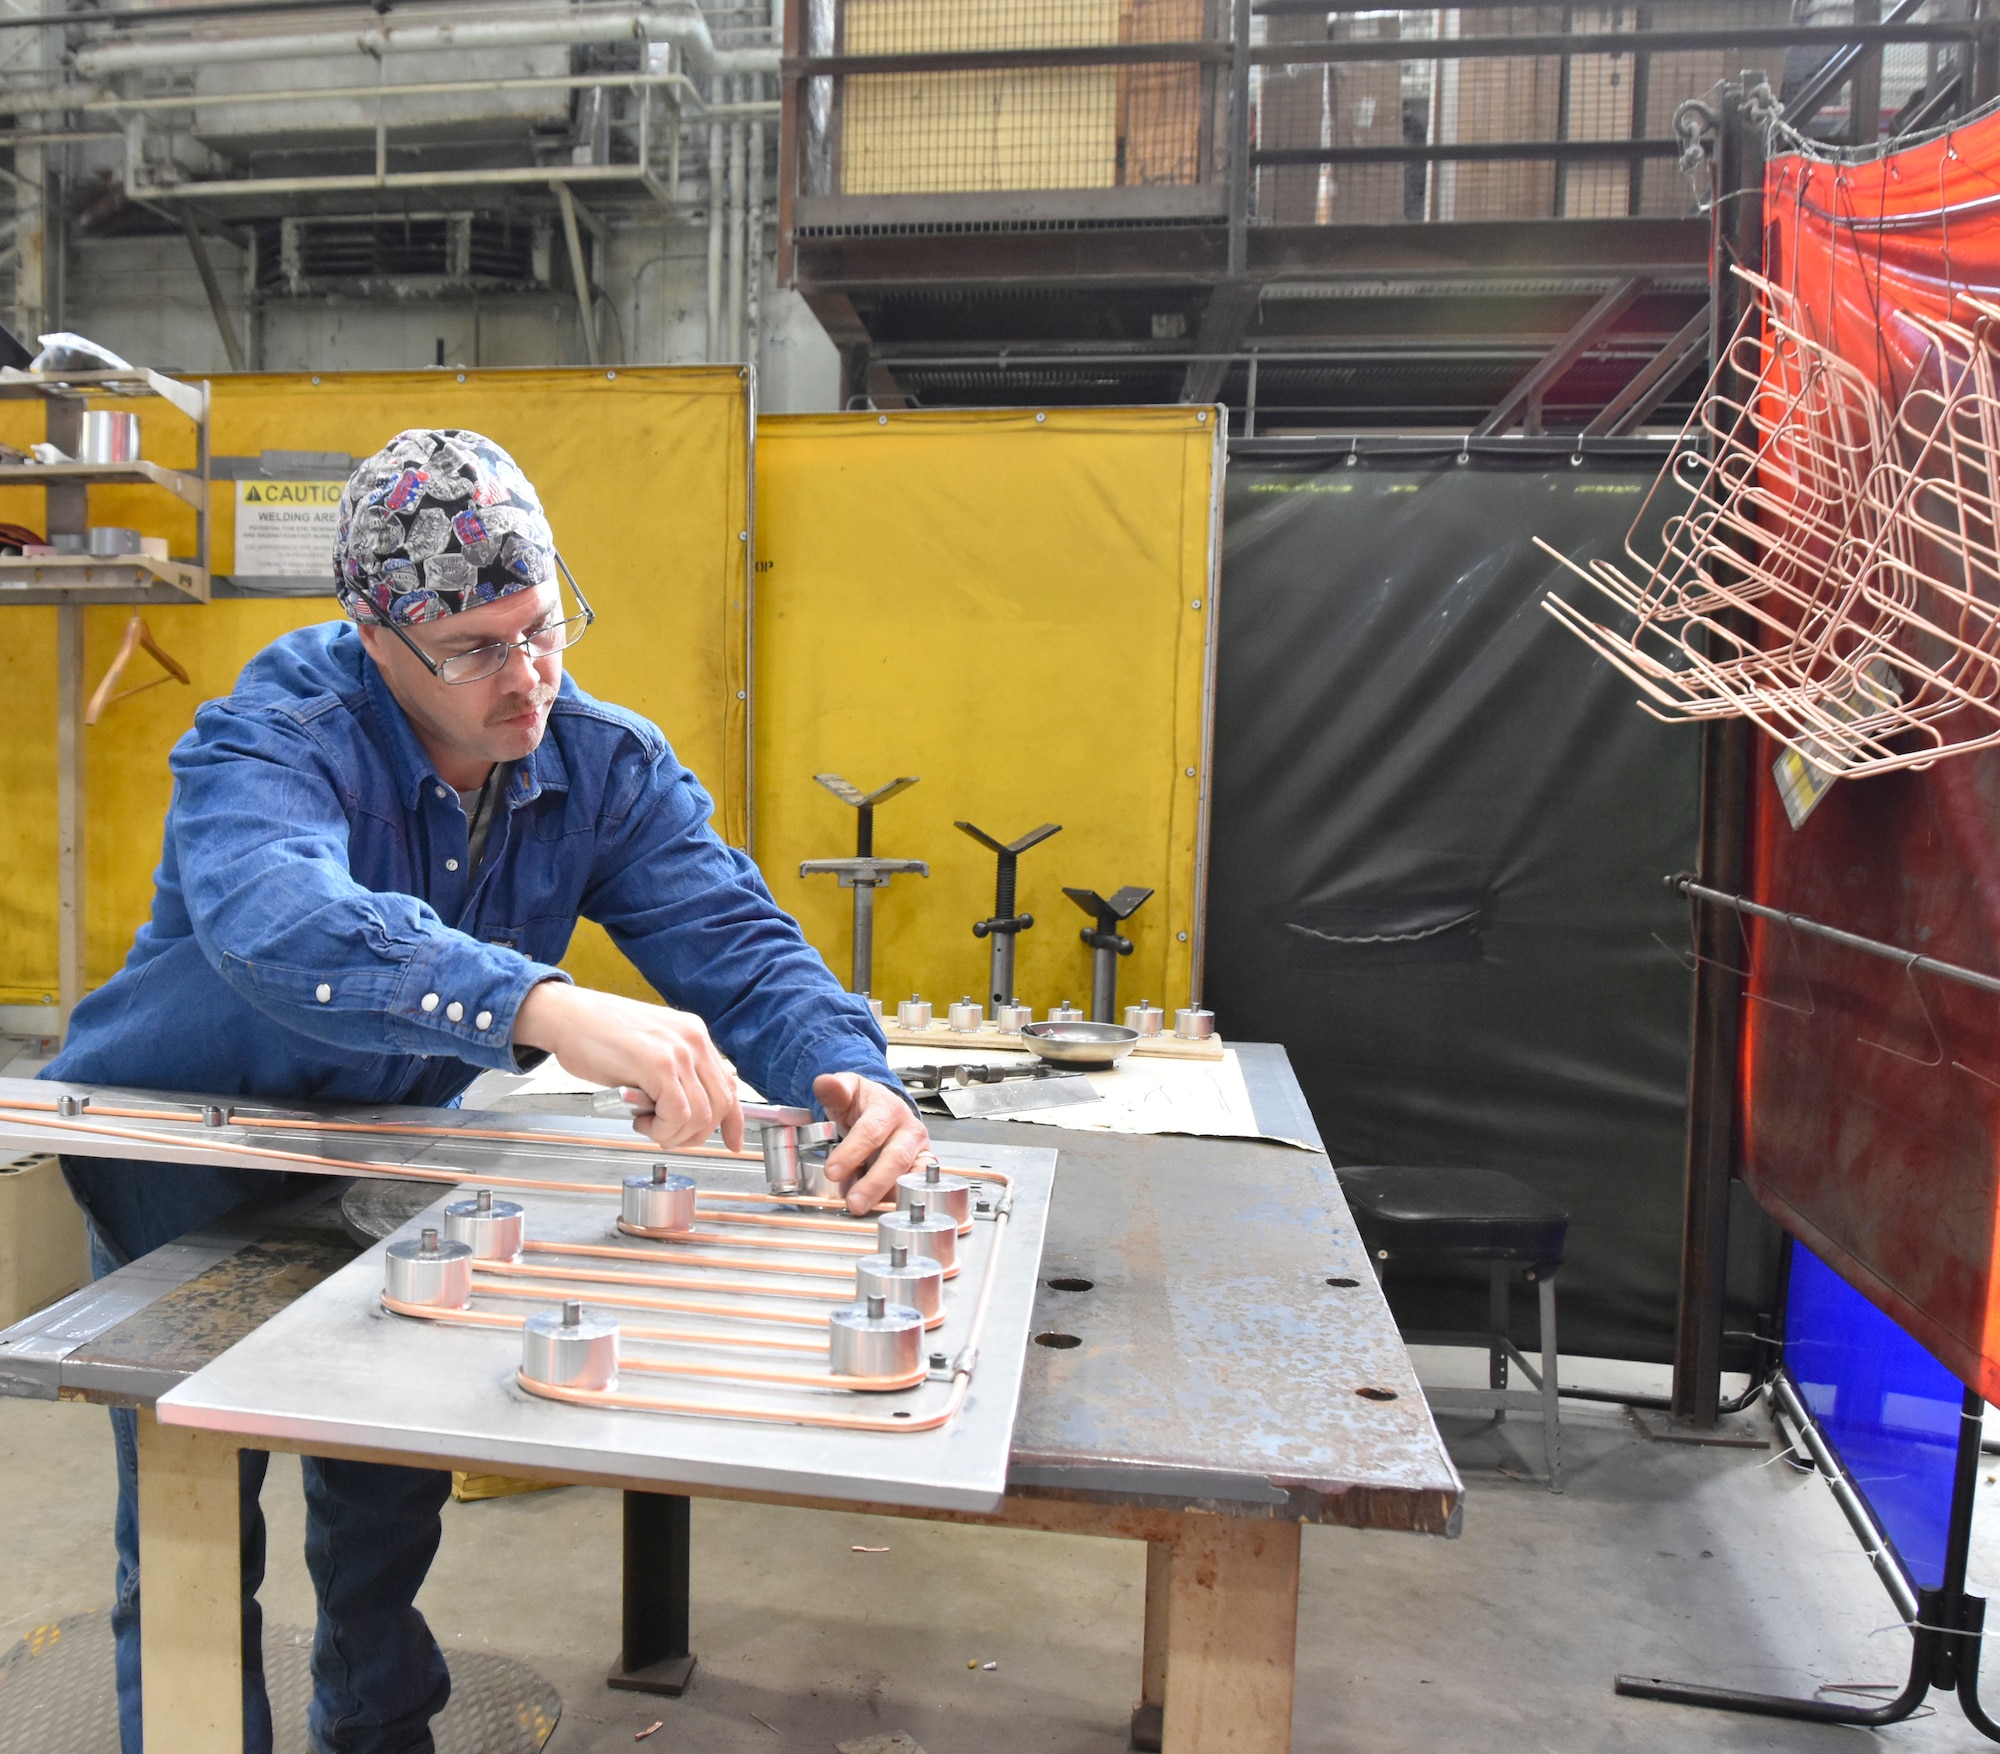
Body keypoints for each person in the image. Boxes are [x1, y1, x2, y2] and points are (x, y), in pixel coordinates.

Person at [43, 427, 928, 1754]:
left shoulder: (601, 765)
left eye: (543, 625)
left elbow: (736, 945)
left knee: (385, 1496)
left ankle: (378, 1733)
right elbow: (279, 917)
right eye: (474, 649)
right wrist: (546, 1005)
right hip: (179, 1155)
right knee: (187, 1522)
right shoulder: (273, 734)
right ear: (374, 634)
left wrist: (844, 1062)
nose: (528, 678)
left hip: (385, 1149)